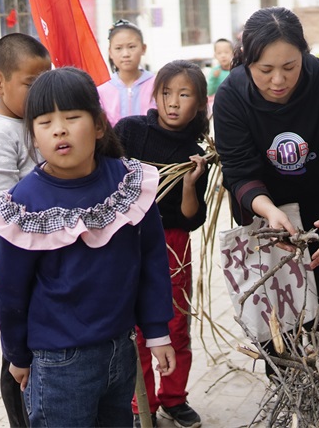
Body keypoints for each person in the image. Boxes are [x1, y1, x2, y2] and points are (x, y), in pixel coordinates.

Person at [0, 67, 177, 428]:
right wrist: (17, 355)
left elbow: (152, 259)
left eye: (72, 117)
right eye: (44, 122)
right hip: (58, 364)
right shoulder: (23, 206)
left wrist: (157, 332)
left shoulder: (129, 184)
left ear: (99, 125)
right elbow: (10, 292)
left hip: (121, 349)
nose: (59, 128)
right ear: (33, 136)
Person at [213, 7, 319, 372]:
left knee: (317, 288)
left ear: (304, 55)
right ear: (247, 60)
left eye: (290, 67)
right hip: (261, 209)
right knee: (274, 301)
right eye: (265, 70)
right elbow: (238, 171)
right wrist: (268, 211)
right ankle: (286, 380)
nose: (278, 80)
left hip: (316, 204)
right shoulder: (231, 96)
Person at [115, 60, 209, 428]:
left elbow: (191, 218)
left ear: (199, 103)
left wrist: (189, 182)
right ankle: (144, 404)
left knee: (174, 326)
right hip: (127, 239)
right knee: (136, 329)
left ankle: (174, 398)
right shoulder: (131, 131)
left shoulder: (197, 151)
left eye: (183, 95)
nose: (173, 102)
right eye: (166, 93)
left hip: (173, 244)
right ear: (154, 96)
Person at [0, 33, 52, 428]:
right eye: (32, 84)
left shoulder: (33, 120)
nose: (42, 92)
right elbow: (3, 212)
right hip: (9, 264)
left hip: (41, 257)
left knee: (38, 344)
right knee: (17, 352)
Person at [98, 19, 155, 126]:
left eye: (131, 47)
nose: (126, 54)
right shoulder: (101, 91)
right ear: (110, 52)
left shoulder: (157, 84)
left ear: (143, 48)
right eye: (118, 48)